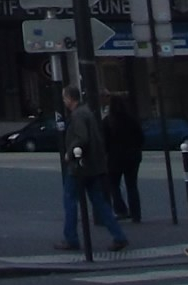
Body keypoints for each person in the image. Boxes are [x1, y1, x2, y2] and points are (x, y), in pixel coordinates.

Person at [55, 86, 128, 253]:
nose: (64, 101)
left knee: (70, 200)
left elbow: (82, 138)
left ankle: (71, 238)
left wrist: (70, 153)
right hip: (94, 166)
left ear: (69, 98)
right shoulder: (87, 112)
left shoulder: (78, 115)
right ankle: (119, 236)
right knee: (100, 203)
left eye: (64, 97)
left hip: (80, 167)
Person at [103, 94, 142, 223]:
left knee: (113, 185)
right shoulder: (131, 119)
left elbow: (104, 142)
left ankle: (121, 209)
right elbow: (141, 138)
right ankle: (136, 214)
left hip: (115, 158)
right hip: (132, 156)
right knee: (132, 185)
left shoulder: (109, 121)